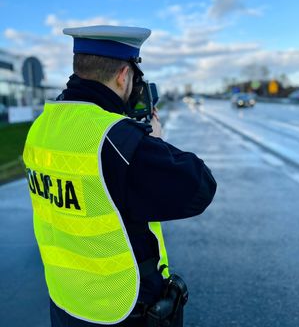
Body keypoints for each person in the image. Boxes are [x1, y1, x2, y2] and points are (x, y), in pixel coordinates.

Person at [23, 25, 217, 327]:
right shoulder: (119, 141)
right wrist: (155, 142)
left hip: (66, 304)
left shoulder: (40, 129)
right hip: (122, 310)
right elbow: (200, 187)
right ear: (123, 75)